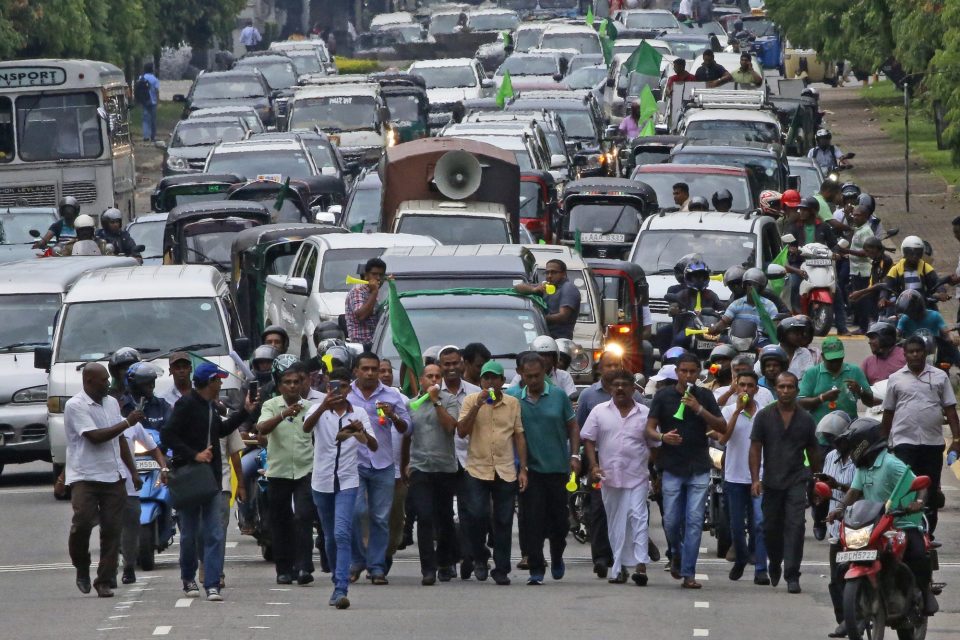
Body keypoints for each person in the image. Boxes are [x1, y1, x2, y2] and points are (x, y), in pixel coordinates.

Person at [161, 363, 255, 602]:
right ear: (208, 382)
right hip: (190, 478)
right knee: (190, 533)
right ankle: (188, 579)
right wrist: (194, 455)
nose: (221, 384)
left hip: (211, 479)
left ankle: (213, 583)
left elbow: (222, 430)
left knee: (214, 533)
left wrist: (245, 412)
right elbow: (168, 435)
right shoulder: (185, 405)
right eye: (218, 380)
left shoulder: (213, 407)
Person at [827, 419, 938, 616]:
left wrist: (919, 503)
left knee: (916, 552)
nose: (851, 451)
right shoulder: (863, 467)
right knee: (839, 552)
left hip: (902, 522)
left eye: (853, 446)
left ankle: (925, 592)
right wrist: (840, 508)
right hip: (874, 523)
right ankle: (846, 613)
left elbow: (921, 485)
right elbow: (854, 491)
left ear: (863, 444)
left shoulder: (890, 464)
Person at [645, 353, 726, 589]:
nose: (688, 376)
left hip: (699, 466)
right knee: (670, 521)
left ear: (699, 373)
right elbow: (648, 429)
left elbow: (721, 427)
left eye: (693, 372)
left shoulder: (705, 396)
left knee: (694, 521)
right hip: (672, 466)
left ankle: (688, 572)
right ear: (677, 372)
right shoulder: (663, 396)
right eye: (684, 371)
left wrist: (699, 409)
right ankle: (675, 552)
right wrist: (662, 437)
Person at [65, 364, 144, 598]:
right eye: (103, 380)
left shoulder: (111, 403)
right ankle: (81, 566)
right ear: (88, 381)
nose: (108, 383)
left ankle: (105, 580)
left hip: (113, 475)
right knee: (82, 524)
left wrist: (133, 471)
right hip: (85, 476)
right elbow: (95, 437)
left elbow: (119, 440)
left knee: (112, 530)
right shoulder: (75, 406)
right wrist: (127, 422)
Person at [303, 367, 378, 610]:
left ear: (350, 389)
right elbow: (306, 428)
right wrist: (323, 406)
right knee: (329, 536)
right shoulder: (317, 409)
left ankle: (341, 588)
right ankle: (337, 576)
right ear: (326, 387)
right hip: (322, 481)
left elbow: (373, 446)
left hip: (347, 481)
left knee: (342, 533)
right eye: (334, 386)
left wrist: (361, 432)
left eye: (344, 387)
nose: (338, 391)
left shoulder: (358, 413)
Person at [506, 353, 579, 585]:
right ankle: (536, 567)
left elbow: (573, 426)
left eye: (538, 375)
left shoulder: (558, 396)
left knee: (560, 523)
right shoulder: (514, 399)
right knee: (532, 522)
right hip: (530, 471)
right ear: (520, 375)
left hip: (557, 469)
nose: (535, 380)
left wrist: (574, 454)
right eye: (529, 376)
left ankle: (557, 555)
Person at [582, 368, 656, 585]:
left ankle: (641, 566)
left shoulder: (644, 413)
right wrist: (594, 466)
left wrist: (653, 470)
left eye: (625, 385)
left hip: (638, 476)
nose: (620, 388)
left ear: (634, 388)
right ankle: (619, 567)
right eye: (616, 385)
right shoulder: (599, 411)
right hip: (609, 477)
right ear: (610, 388)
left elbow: (654, 444)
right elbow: (589, 439)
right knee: (615, 522)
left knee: (638, 517)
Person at [881, 335, 960, 536]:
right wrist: (881, 443)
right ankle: (905, 530)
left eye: (919, 350)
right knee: (905, 489)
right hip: (903, 443)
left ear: (925, 353)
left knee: (930, 489)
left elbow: (951, 410)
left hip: (932, 444)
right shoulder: (895, 379)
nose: (915, 354)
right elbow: (888, 412)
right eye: (911, 351)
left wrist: (957, 441)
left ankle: (927, 533)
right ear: (905, 354)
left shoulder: (940, 377)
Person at [749, 372, 820, 593]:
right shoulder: (764, 416)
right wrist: (754, 479)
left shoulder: (806, 419)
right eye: (781, 387)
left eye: (790, 387)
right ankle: (775, 561)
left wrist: (816, 479)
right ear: (775, 389)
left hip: (797, 479)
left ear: (797, 390)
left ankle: (792, 574)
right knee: (769, 527)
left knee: (796, 526)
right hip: (771, 480)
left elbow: (813, 449)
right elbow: (755, 447)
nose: (786, 391)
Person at [457, 360, 527, 585]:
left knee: (504, 520)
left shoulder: (512, 403)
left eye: (494, 378)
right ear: (480, 381)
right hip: (477, 468)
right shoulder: (470, 400)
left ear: (502, 381)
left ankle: (502, 569)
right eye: (485, 378)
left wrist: (523, 468)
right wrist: (477, 405)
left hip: (505, 468)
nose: (489, 382)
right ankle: (479, 556)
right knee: (476, 515)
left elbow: (519, 436)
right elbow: (461, 431)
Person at [347, 352, 410, 584]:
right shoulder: (346, 394)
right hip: (354, 463)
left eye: (374, 369)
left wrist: (393, 415)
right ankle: (357, 560)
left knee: (380, 518)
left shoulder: (392, 395)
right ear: (356, 371)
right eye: (366, 369)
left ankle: (376, 567)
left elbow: (406, 428)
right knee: (356, 512)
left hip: (383, 463)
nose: (371, 373)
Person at [256, 361, 316, 586]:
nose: (292, 386)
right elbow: (261, 429)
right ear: (279, 386)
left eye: (296, 382)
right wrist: (283, 414)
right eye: (287, 383)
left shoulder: (310, 408)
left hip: (304, 470)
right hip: (278, 471)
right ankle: (283, 569)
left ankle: (303, 567)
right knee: (280, 521)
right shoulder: (271, 405)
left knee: (303, 516)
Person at [402, 364, 459, 584]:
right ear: (421, 379)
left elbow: (450, 427)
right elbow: (407, 435)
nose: (434, 380)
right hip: (420, 467)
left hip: (444, 467)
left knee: (443, 518)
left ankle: (445, 561)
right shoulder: (411, 404)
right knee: (424, 516)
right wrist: (404, 463)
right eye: (429, 376)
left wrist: (436, 401)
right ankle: (428, 568)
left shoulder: (449, 400)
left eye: (437, 376)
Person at [719, 371, 769, 585]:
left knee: (759, 522)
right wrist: (737, 412)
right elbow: (723, 439)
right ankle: (740, 558)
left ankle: (761, 569)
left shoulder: (766, 414)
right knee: (737, 526)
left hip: (759, 476)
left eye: (750, 386)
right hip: (734, 476)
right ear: (736, 388)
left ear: (756, 390)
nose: (746, 389)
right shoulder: (729, 410)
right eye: (742, 385)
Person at [435, 346, 479, 578]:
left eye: (455, 363)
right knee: (442, 515)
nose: (451, 368)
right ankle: (446, 561)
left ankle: (470, 557)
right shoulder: (432, 392)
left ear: (462, 364)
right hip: (441, 460)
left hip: (469, 460)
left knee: (470, 512)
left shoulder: (474, 392)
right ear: (440, 366)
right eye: (446, 364)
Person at [814, 411, 857, 638]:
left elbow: (860, 487)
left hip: (858, 523)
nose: (834, 443)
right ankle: (843, 620)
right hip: (836, 527)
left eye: (837, 438)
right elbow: (825, 487)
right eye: (830, 439)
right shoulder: (830, 456)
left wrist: (837, 484)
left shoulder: (861, 456)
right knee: (835, 579)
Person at [798, 336, 877, 424]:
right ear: (823, 356)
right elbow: (800, 403)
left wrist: (860, 391)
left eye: (838, 359)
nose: (835, 364)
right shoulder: (812, 373)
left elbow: (870, 403)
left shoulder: (855, 371)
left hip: (848, 431)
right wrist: (822, 398)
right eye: (831, 360)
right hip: (818, 432)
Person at [708, 267, 779, 343]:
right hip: (736, 342)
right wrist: (713, 329)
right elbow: (723, 322)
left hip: (761, 342)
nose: (751, 287)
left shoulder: (770, 306)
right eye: (748, 284)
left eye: (755, 285)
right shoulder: (736, 304)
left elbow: (774, 328)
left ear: (761, 288)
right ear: (744, 286)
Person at [516, 260, 581, 340]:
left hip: (559, 340)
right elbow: (518, 287)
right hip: (544, 337)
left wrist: (536, 318)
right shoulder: (547, 286)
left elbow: (563, 316)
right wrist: (534, 289)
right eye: (547, 272)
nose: (549, 276)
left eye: (554, 272)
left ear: (563, 274)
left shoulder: (568, 288)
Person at [881, 235, 943, 308]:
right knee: (889, 316)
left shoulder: (925, 267)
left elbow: (936, 281)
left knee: (935, 316)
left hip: (923, 304)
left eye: (918, 253)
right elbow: (887, 286)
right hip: (902, 305)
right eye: (911, 253)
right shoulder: (896, 269)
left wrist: (942, 292)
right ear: (904, 253)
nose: (914, 256)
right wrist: (883, 298)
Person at [841, 206, 875, 333]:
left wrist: (848, 251)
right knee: (858, 300)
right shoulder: (858, 229)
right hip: (856, 270)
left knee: (863, 300)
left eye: (858, 215)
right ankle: (861, 325)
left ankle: (864, 327)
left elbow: (867, 252)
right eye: (854, 215)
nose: (855, 217)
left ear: (865, 217)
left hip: (863, 271)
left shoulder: (865, 231)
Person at [508, 336, 577, 396]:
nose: (544, 359)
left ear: (555, 357)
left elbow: (572, 399)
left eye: (548, 355)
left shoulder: (564, 376)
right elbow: (509, 396)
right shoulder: (522, 376)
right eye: (540, 355)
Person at [344, 258, 386, 349]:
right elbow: (361, 315)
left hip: (375, 344)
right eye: (374, 274)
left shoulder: (376, 292)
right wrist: (374, 292)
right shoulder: (358, 291)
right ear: (366, 275)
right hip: (361, 346)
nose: (378, 278)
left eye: (381, 275)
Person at [136, 63, 160, 143]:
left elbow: (138, 89)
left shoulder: (141, 78)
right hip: (152, 101)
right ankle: (152, 136)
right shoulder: (154, 79)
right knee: (153, 120)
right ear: (152, 70)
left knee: (145, 119)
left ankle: (146, 136)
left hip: (144, 101)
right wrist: (158, 101)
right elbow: (156, 91)